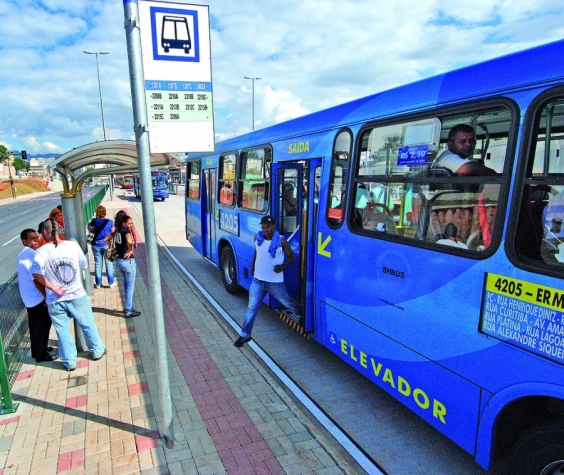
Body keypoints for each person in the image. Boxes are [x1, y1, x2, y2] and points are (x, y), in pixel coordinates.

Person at [31, 218, 106, 371]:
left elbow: (36, 273)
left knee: (62, 330)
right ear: (59, 230)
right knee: (87, 324)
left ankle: (70, 362)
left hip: (55, 299)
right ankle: (97, 350)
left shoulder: (41, 252)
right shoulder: (73, 246)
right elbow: (84, 265)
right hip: (77, 294)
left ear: (45, 232)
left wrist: (53, 287)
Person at [234, 215, 296, 347]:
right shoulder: (258, 238)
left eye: (268, 226)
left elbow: (292, 257)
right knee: (251, 309)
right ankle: (245, 335)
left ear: (273, 226)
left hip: (274, 283)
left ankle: (305, 321)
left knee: (289, 304)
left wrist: (282, 267)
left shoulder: (281, 241)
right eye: (263, 227)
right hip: (258, 281)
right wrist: (252, 267)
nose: (265, 229)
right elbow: (257, 253)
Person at [16, 229, 58, 363]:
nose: (36, 241)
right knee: (42, 326)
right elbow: (35, 277)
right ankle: (41, 355)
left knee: (35, 326)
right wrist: (45, 296)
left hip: (30, 298)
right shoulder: (29, 255)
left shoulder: (25, 253)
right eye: (32, 239)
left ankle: (38, 349)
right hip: (36, 298)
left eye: (36, 237)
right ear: (24, 241)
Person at [432, 124, 497, 176]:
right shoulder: (446, 156)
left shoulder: (458, 157)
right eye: (462, 141)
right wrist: (477, 166)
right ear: (450, 144)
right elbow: (466, 169)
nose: (468, 144)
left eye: (471, 141)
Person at [110, 214, 141, 318]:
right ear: (124, 223)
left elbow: (106, 239)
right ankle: (128, 310)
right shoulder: (126, 232)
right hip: (128, 262)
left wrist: (114, 250)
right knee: (130, 287)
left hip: (119, 262)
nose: (131, 225)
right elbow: (129, 241)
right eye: (129, 223)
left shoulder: (117, 231)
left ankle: (128, 308)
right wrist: (130, 248)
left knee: (126, 286)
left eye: (132, 223)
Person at [88, 205, 116, 289]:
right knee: (109, 263)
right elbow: (113, 232)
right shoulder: (110, 222)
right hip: (106, 244)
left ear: (97, 213)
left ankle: (98, 284)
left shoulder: (94, 221)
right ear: (105, 212)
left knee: (98, 264)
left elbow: (89, 229)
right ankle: (111, 283)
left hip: (96, 245)